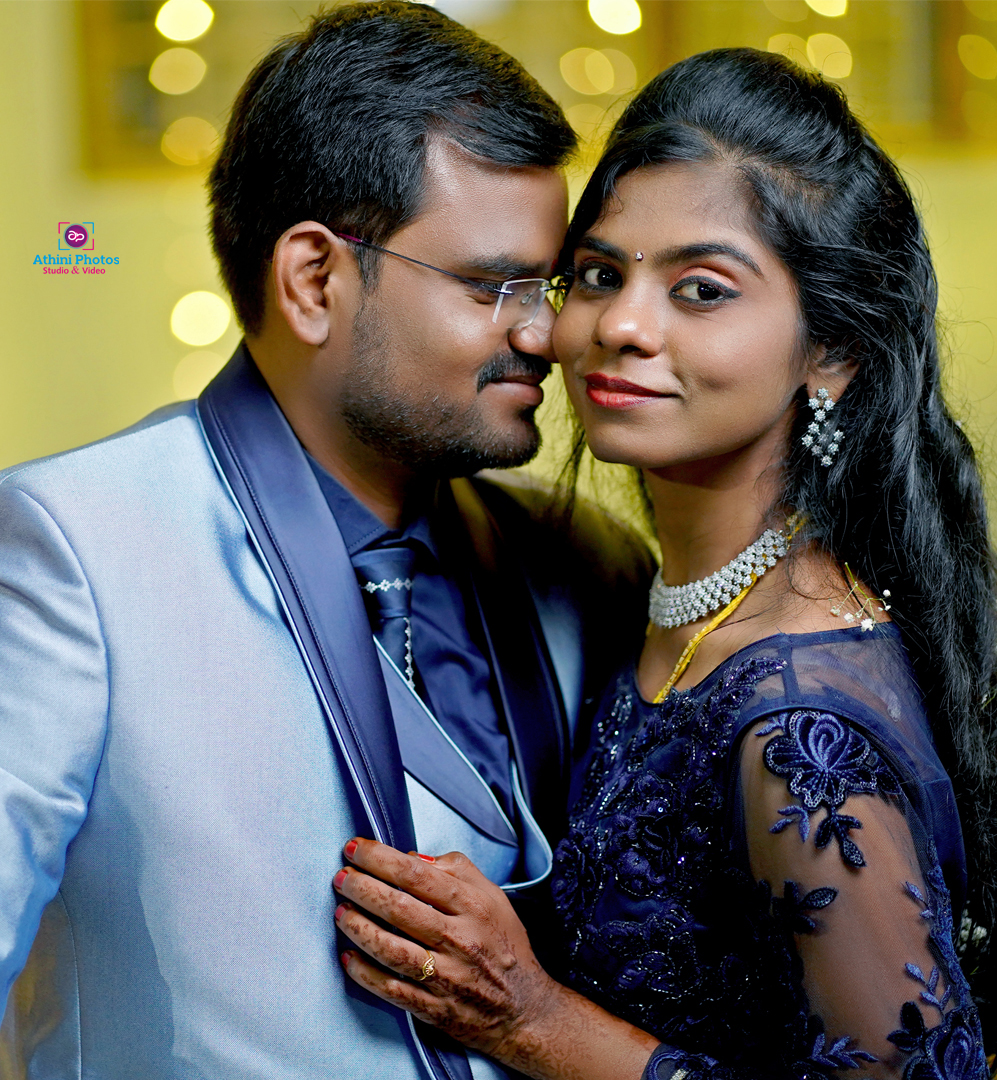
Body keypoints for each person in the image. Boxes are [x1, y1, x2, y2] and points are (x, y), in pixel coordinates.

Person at [328, 48, 997, 1080]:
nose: (622, 326)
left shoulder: (800, 717)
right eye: (598, 275)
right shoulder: (649, 598)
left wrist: (534, 1021)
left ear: (831, 352)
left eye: (701, 289)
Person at [0, 5, 653, 1078]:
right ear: (315, 280)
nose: (545, 334)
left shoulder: (585, 560)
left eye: (549, 286)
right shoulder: (74, 552)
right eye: (494, 287)